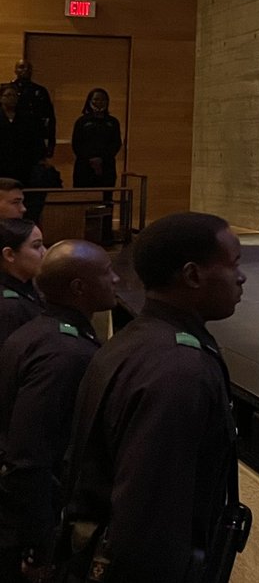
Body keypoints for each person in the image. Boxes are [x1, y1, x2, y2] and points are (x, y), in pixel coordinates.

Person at [60, 212, 248, 583]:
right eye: (233, 264)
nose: (241, 277)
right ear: (193, 275)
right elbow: (149, 519)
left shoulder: (133, 342)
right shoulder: (179, 372)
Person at [0, 241, 118, 581]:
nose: (117, 280)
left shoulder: (39, 332)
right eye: (107, 273)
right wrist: (39, 547)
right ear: (79, 287)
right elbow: (29, 457)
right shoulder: (66, 354)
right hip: (23, 531)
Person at [0, 211, 45, 349]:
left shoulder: (27, 285)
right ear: (9, 254)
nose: (45, 252)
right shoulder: (8, 308)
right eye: (37, 246)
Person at [71, 89, 122, 190]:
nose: (99, 102)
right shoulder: (82, 121)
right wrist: (91, 159)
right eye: (96, 99)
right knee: (84, 199)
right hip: (84, 166)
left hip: (106, 167)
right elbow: (76, 144)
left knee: (105, 200)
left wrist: (102, 159)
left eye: (103, 99)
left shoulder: (113, 122)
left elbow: (116, 144)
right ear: (90, 101)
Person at [9, 62, 54, 163]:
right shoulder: (8, 91)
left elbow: (50, 118)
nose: (25, 70)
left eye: (28, 68)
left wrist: (51, 143)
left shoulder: (40, 91)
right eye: (21, 67)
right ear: (15, 70)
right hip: (13, 138)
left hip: (35, 138)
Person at [0, 87, 41, 187]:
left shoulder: (26, 118)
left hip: (22, 163)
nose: (12, 98)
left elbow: (35, 140)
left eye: (15, 95)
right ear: (1, 98)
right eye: (8, 95)